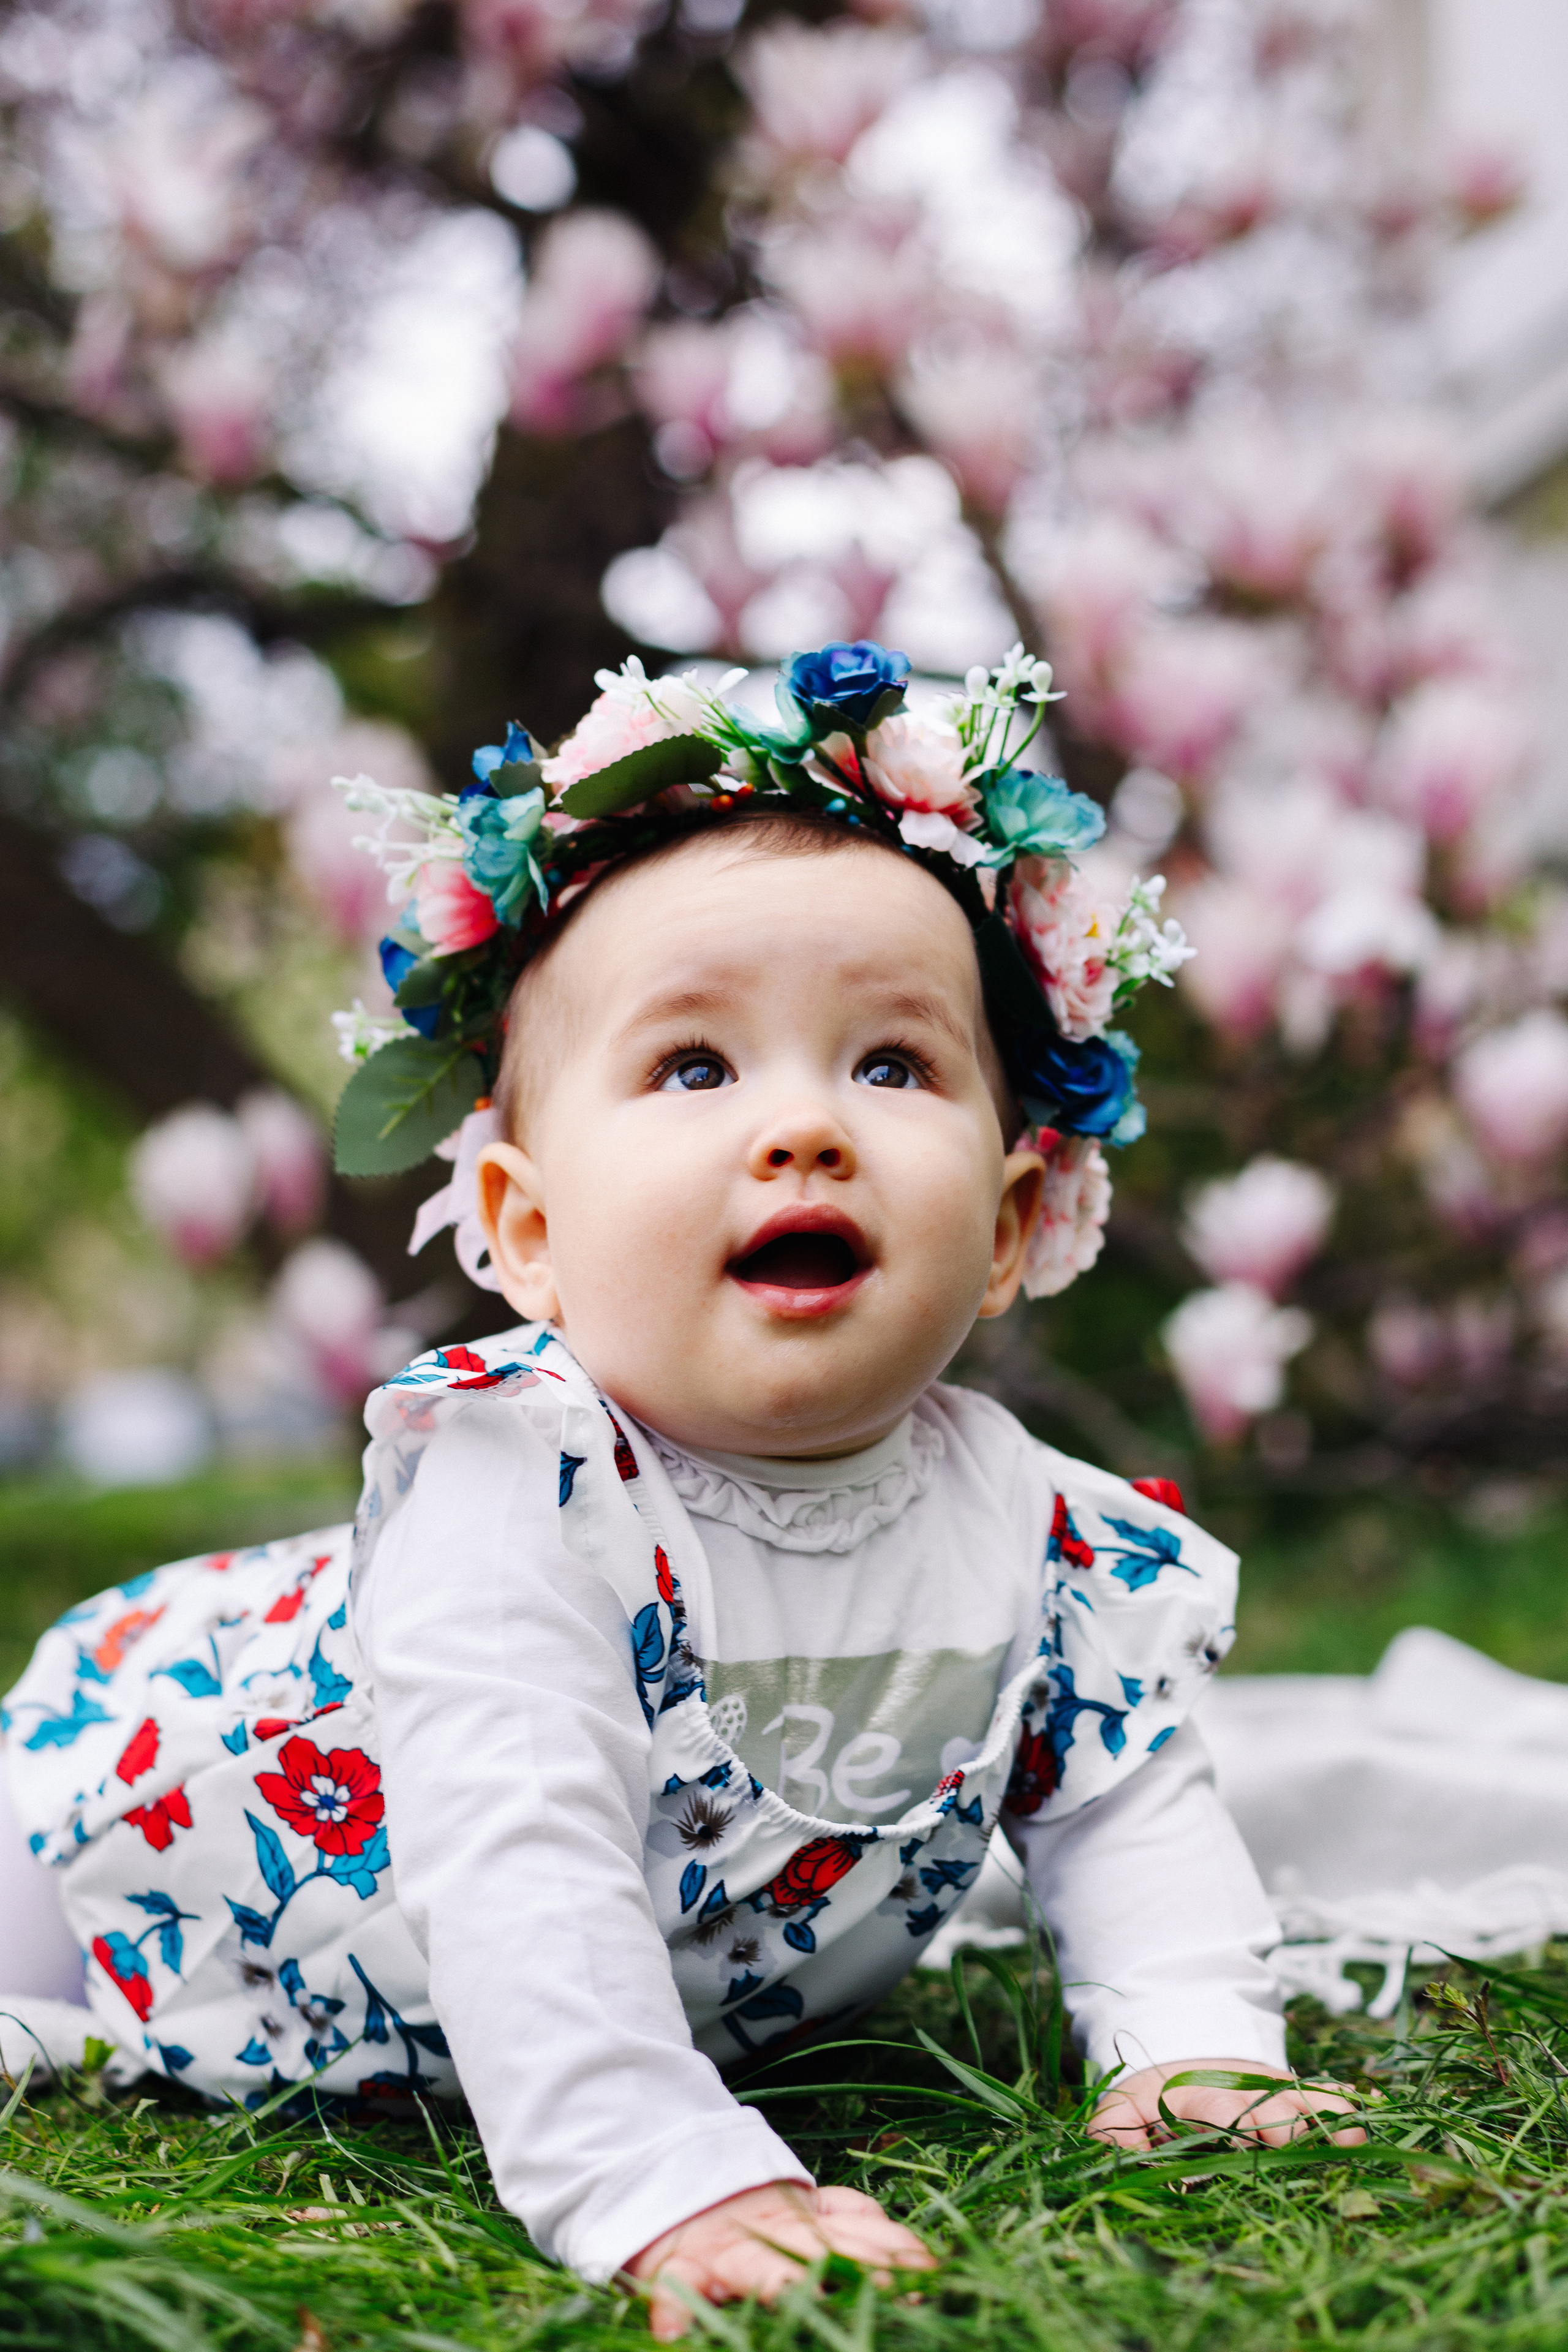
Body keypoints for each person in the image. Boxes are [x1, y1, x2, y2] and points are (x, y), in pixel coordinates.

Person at [0, 644, 1356, 2338]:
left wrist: (1194, 2048)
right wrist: (660, 2171)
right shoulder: (521, 1494)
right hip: (105, 1855)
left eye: (891, 1065)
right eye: (698, 1068)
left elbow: (1124, 1812)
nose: (804, 1129)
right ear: (528, 1229)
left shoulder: (1055, 1545)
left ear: (1012, 1225)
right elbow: (523, 1862)